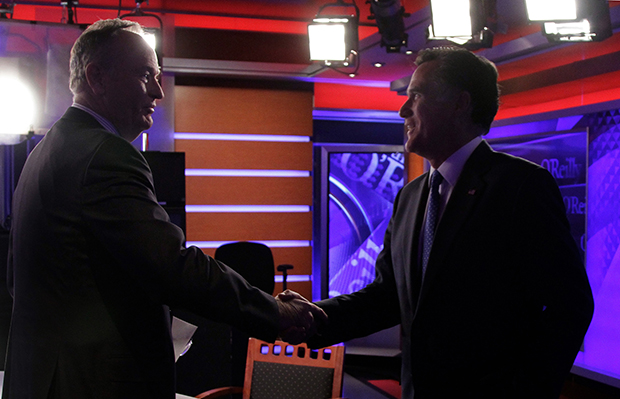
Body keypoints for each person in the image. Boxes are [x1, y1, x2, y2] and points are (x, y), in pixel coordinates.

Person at [2, 19, 325, 399]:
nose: (158, 92)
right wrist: (273, 311)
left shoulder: (46, 151)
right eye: (145, 76)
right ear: (97, 77)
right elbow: (172, 268)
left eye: (158, 77)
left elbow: (18, 279)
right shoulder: (106, 155)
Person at [306, 47, 594, 399]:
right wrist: (307, 318)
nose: (403, 110)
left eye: (416, 95)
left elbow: (571, 305)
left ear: (460, 103)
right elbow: (387, 299)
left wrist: (527, 391)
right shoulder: (410, 198)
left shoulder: (519, 187)